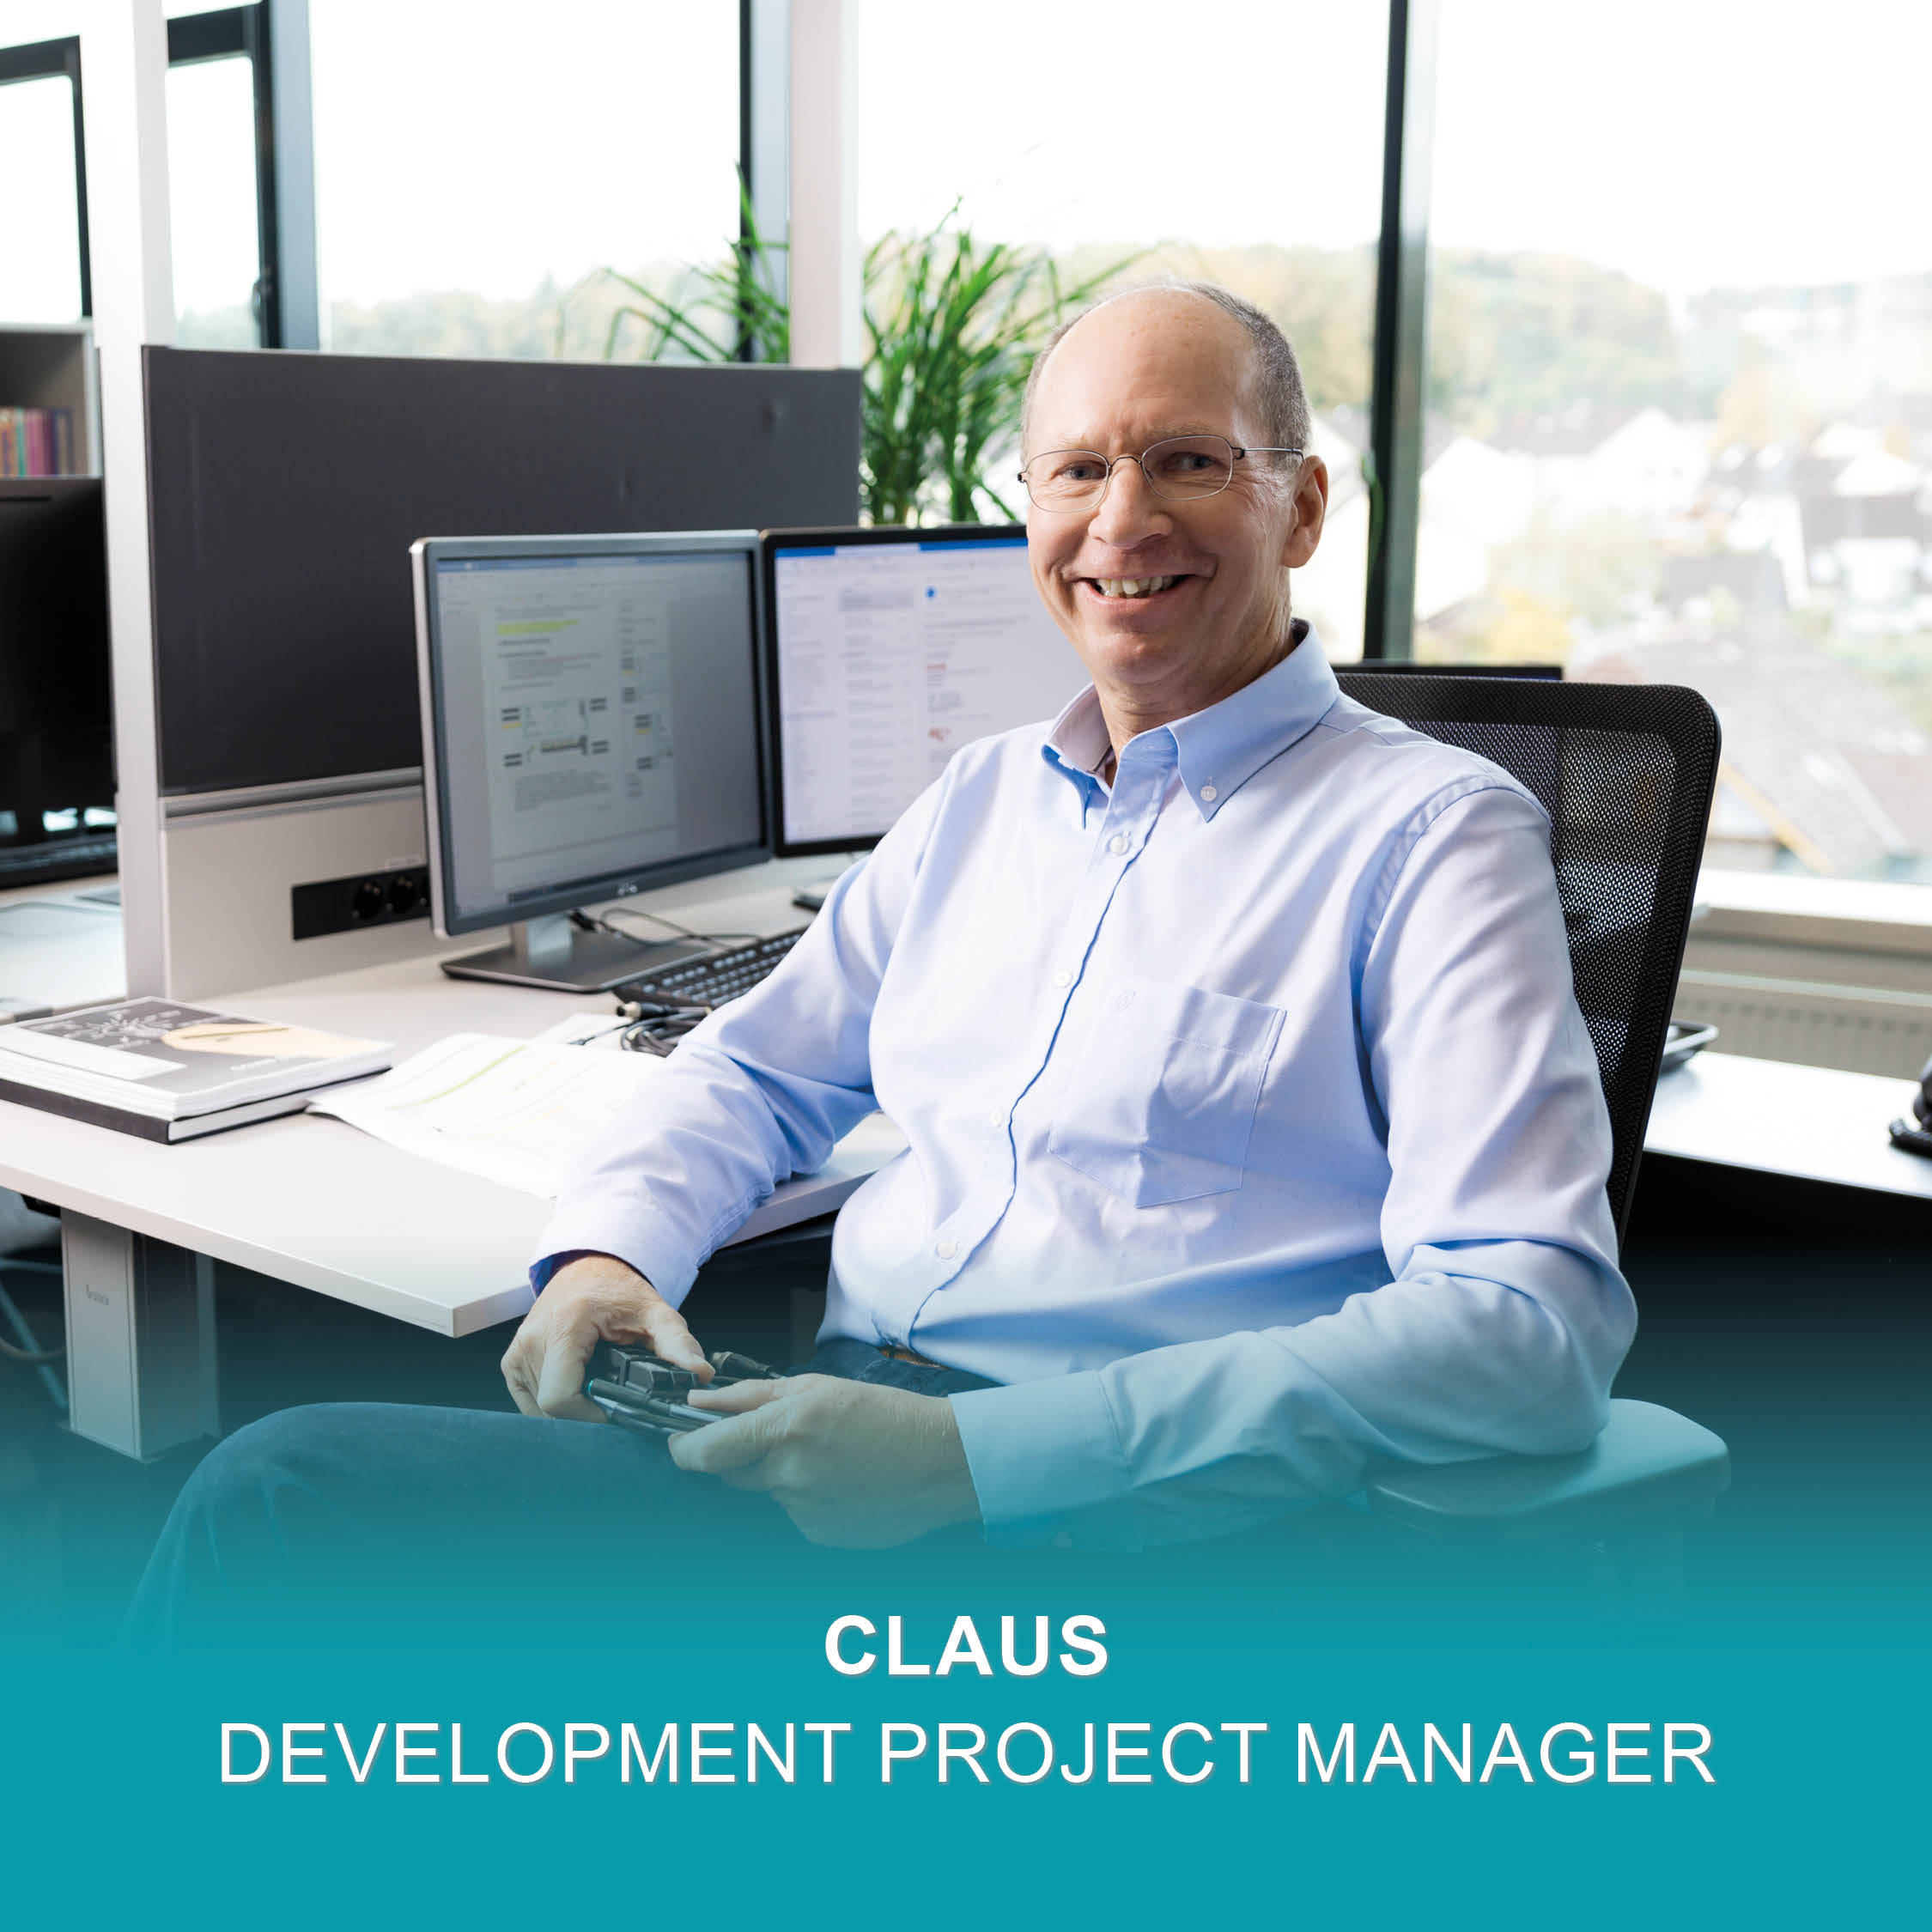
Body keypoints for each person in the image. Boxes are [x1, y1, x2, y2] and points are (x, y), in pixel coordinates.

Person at [131, 283, 1632, 1630]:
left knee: (282, 1497)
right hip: (815, 1459)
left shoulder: (1429, 838)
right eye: (1076, 469)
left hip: (1107, 1551)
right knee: (299, 1527)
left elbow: (1525, 1326)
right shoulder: (983, 799)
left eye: (1186, 458)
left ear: (1300, 508)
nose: (1121, 521)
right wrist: (609, 1250)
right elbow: (753, 1070)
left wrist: (977, 1462)